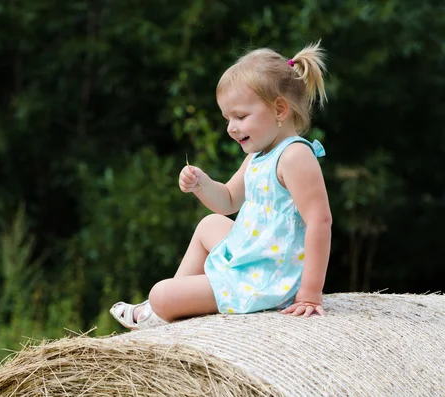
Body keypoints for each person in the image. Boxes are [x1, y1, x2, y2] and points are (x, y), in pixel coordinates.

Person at [110, 41, 332, 330]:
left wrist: (311, 292)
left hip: (269, 277)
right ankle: (168, 308)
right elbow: (228, 200)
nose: (231, 127)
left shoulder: (295, 156)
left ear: (279, 110)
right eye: (227, 118)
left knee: (160, 292)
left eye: (240, 117)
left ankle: (163, 306)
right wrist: (202, 184)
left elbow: (320, 221)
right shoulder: (259, 156)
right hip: (255, 255)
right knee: (209, 225)